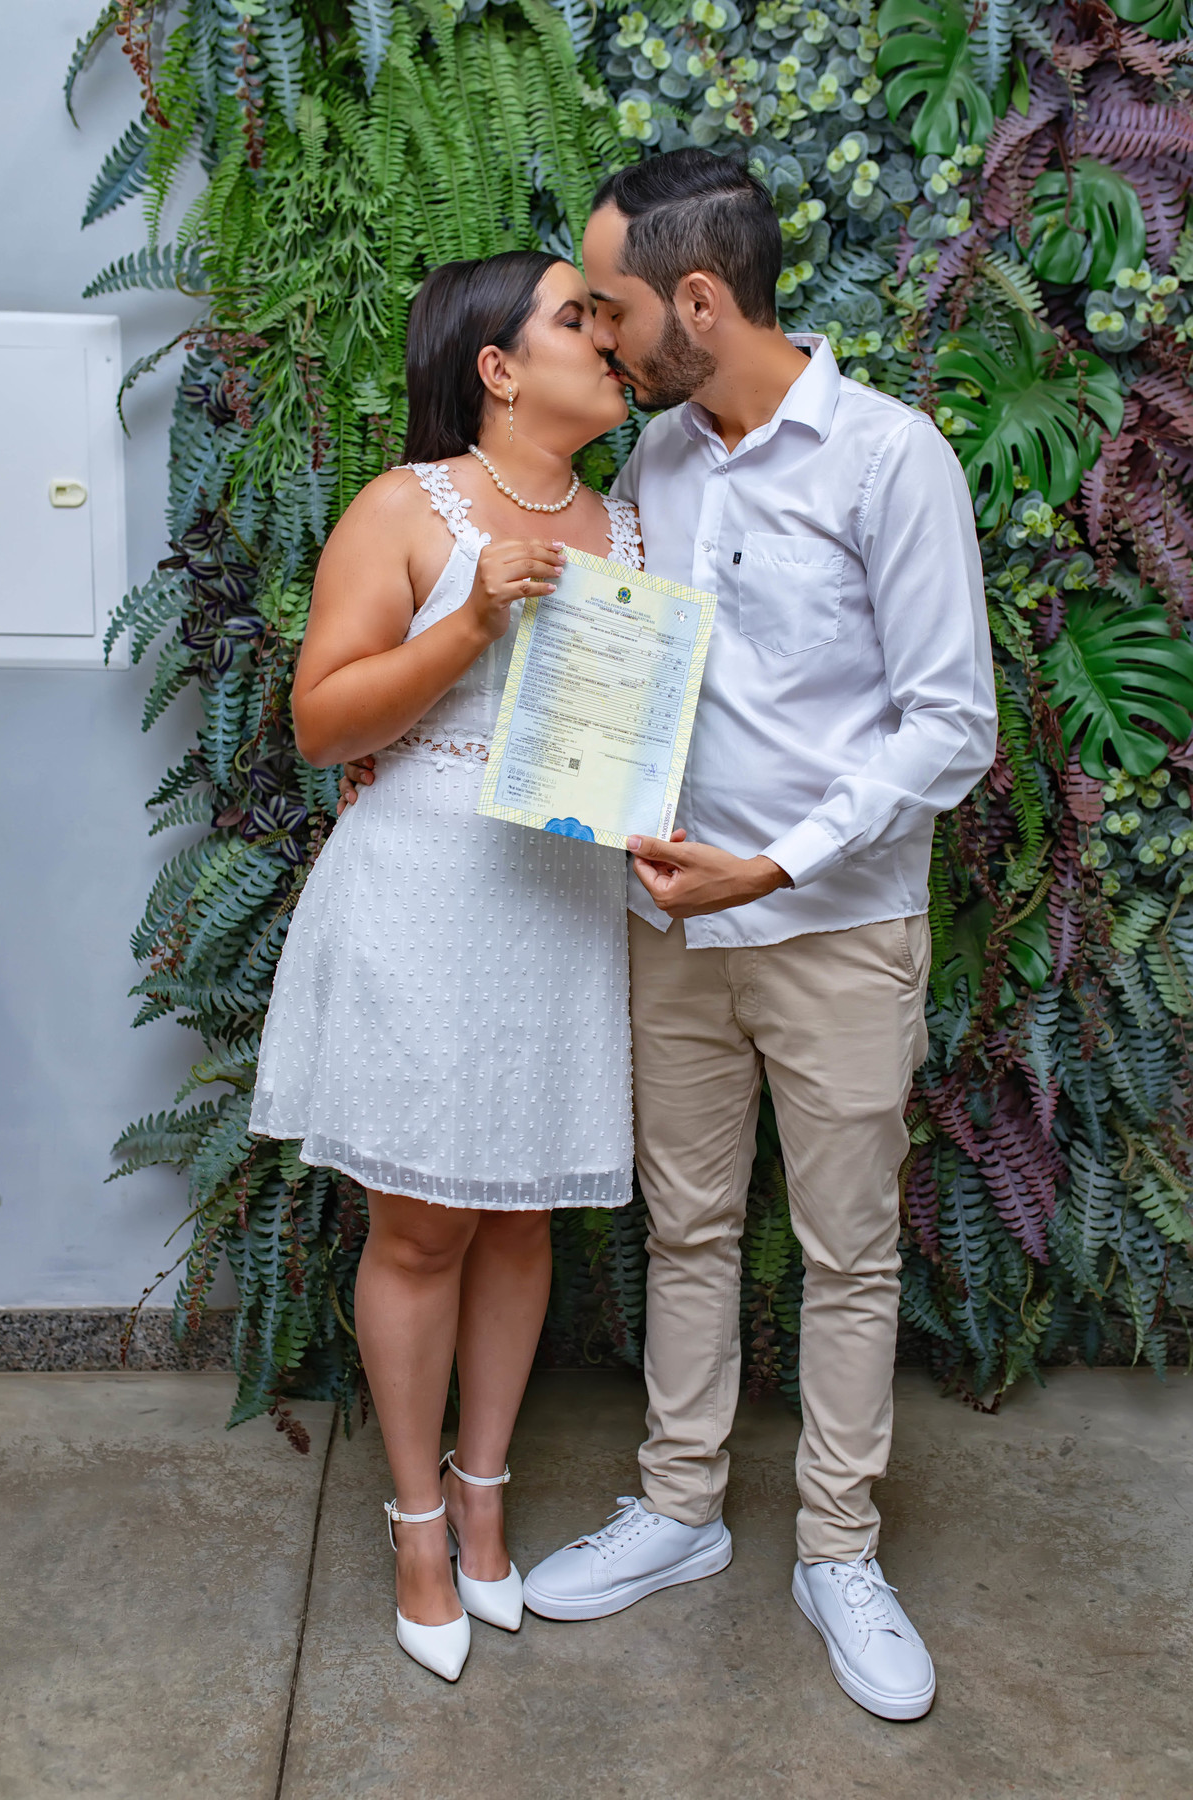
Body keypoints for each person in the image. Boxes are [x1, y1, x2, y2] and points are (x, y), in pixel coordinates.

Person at [341, 150, 996, 1720]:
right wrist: (408, 738)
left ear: (697, 301)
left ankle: (840, 1551)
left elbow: (951, 724)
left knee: (845, 1252)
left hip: (832, 920)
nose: (605, 334)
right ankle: (682, 1507)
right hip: (660, 920)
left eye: (613, 307)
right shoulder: (654, 470)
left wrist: (771, 867)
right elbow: (598, 674)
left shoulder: (890, 460)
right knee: (687, 1229)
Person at [250, 250, 643, 1683]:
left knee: (524, 1217)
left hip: (561, 905)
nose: (607, 338)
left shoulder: (634, 525)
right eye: (576, 318)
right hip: (422, 899)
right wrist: (473, 619)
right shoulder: (405, 510)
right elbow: (322, 725)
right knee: (421, 1227)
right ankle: (418, 1520)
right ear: (498, 366)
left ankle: (486, 1498)